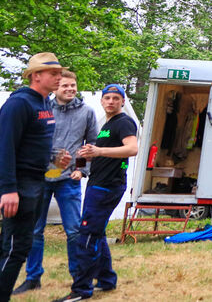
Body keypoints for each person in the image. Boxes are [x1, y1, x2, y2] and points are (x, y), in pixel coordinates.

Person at [13, 71, 99, 295]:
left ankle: (78, 278)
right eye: (65, 86)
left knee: (73, 231)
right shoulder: (43, 109)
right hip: (39, 178)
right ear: (56, 88)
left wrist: (81, 170)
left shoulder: (87, 112)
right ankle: (33, 278)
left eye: (73, 85)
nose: (70, 89)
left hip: (68, 180)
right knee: (35, 230)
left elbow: (89, 144)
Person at [52, 84, 137, 302]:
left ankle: (81, 290)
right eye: (107, 98)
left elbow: (132, 148)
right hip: (97, 184)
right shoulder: (107, 124)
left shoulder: (124, 122)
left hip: (107, 187)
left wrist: (99, 151)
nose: (110, 101)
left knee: (87, 236)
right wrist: (85, 159)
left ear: (122, 102)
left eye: (115, 98)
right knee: (96, 233)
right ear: (101, 101)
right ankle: (107, 280)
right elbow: (101, 152)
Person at [1, 53, 68, 302]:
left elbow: (32, 145)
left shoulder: (44, 103)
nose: (59, 77)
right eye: (54, 73)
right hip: (19, 185)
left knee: (15, 246)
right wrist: (8, 190)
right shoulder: (19, 104)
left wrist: (54, 159)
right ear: (35, 75)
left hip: (37, 182)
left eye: (60, 73)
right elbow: (4, 147)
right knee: (15, 248)